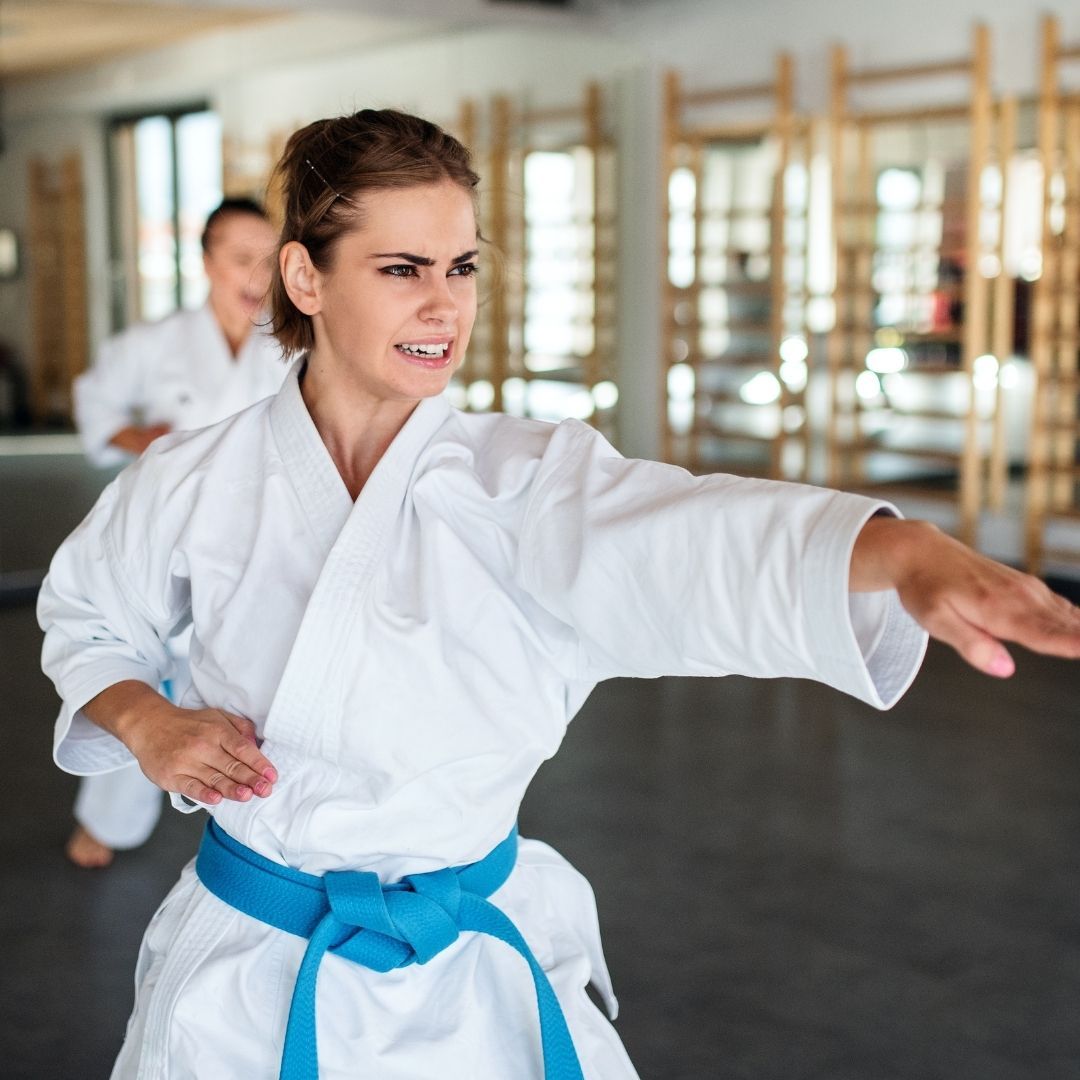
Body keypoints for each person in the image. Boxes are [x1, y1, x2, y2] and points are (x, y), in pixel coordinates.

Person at [37, 110, 1079, 1079]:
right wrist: (144, 718)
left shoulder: (525, 477)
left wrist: (896, 556)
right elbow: (85, 613)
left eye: (462, 267)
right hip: (251, 976)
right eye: (401, 269)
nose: (444, 304)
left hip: (476, 973)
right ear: (305, 278)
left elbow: (692, 539)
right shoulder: (192, 477)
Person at [65, 197, 285, 869]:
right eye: (239, 258)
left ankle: (264, 815)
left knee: (253, 670)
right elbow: (95, 399)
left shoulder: (289, 339)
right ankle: (109, 820)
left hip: (261, 531)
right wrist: (144, 439)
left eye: (267, 261)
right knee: (143, 675)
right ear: (207, 259)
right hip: (166, 528)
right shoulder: (158, 342)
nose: (254, 275)